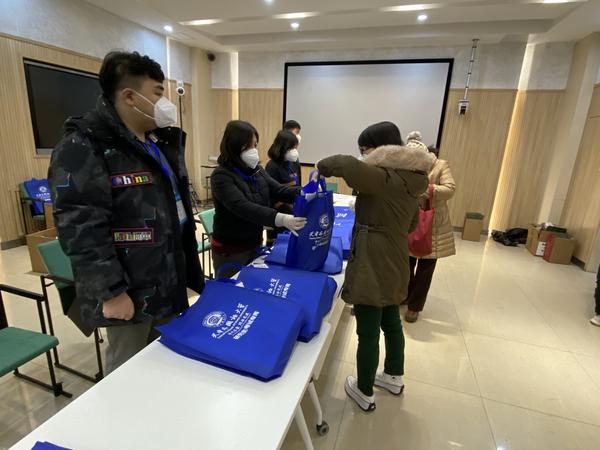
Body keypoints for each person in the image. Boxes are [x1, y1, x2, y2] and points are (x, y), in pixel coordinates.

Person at [48, 51, 204, 373]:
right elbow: (81, 228)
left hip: (168, 279)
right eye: (158, 93)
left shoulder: (157, 143)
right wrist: (111, 292)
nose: (164, 103)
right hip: (129, 290)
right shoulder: (84, 146)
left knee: (167, 366)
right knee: (127, 373)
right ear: (130, 97)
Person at [317, 121, 433, 412]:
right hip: (396, 256)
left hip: (373, 260)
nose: (362, 155)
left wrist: (320, 168)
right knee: (391, 321)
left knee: (368, 330)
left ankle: (364, 389)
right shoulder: (412, 179)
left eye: (365, 149)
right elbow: (410, 225)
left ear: (380, 149)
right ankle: (393, 375)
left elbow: (345, 164)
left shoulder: (382, 176)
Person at [211, 120, 307, 278]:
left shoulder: (257, 170)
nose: (254, 151)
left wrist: (304, 192)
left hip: (254, 242)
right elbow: (243, 207)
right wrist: (281, 219)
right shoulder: (221, 176)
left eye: (255, 145)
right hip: (231, 250)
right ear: (234, 146)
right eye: (248, 146)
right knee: (233, 289)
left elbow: (278, 190)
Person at [403, 133, 456, 323]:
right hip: (410, 221)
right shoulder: (406, 166)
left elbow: (450, 189)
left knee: (425, 269)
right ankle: (405, 296)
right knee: (406, 263)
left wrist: (427, 189)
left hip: (433, 225)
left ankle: (414, 307)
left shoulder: (440, 165)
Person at [265, 130, 302, 244]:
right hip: (279, 216)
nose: (294, 151)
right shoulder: (272, 166)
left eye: (295, 148)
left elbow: (298, 186)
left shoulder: (294, 163)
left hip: (294, 212)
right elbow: (271, 195)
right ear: (282, 147)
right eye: (291, 148)